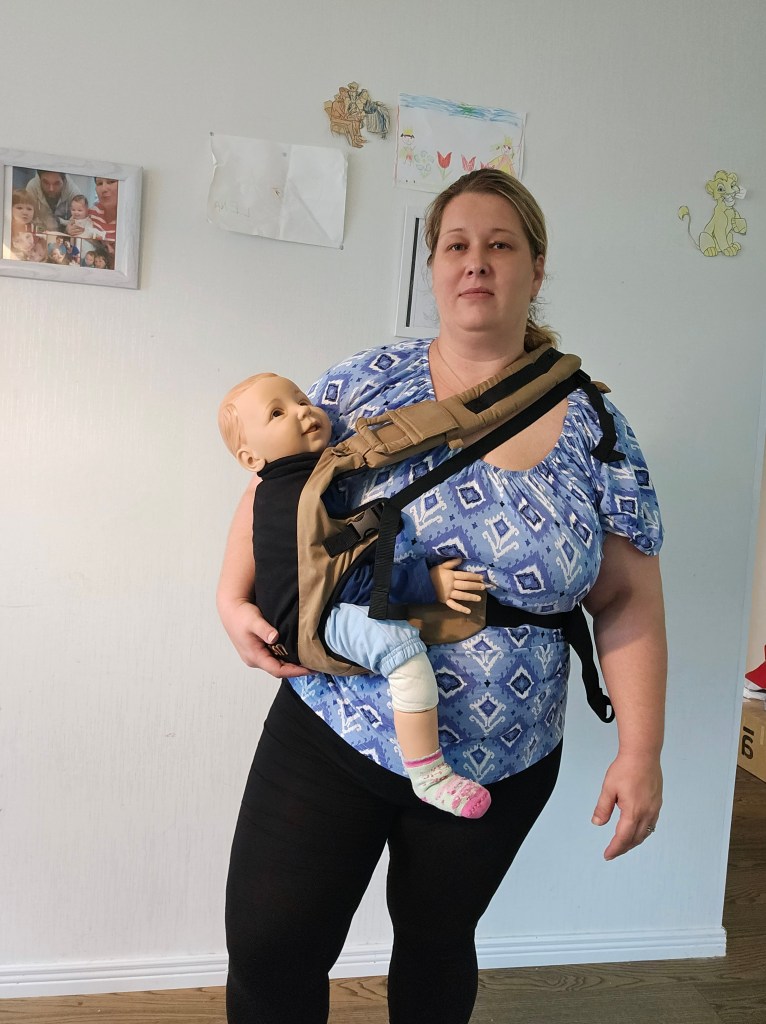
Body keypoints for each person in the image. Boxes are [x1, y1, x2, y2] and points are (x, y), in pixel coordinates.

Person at [217, 168, 667, 1024]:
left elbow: (628, 597)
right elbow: (273, 491)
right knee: (273, 946)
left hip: (501, 750)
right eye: (456, 244)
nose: (476, 261)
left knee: (435, 947)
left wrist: (640, 752)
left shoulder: (598, 428)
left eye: (500, 244)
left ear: (536, 267)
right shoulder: (365, 382)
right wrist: (230, 598)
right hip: (338, 721)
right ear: (432, 267)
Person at [218, 372, 492, 818]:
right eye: (277, 413)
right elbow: (336, 581)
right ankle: (430, 775)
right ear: (251, 458)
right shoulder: (291, 502)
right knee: (403, 655)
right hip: (314, 621)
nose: (303, 410)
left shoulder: (295, 483)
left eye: (301, 399)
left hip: (312, 614)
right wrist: (424, 583)